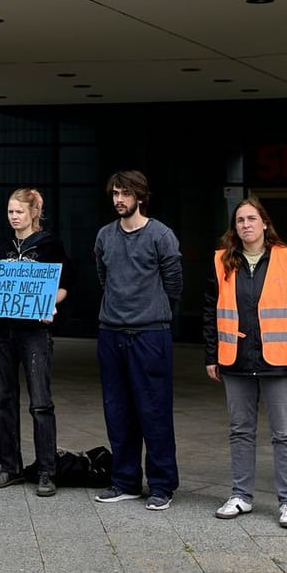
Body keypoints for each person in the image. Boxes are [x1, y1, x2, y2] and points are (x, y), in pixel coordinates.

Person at [208, 196, 287, 529]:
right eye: (240, 220)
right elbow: (212, 312)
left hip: (278, 361)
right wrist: (211, 355)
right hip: (235, 359)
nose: (246, 225)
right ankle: (241, 496)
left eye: (252, 219)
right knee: (240, 432)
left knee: (284, 434)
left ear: (264, 223)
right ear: (234, 227)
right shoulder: (222, 260)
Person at [92, 170, 183, 510]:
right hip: (111, 332)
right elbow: (104, 277)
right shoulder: (104, 236)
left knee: (154, 411)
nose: (119, 199)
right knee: (117, 411)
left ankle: (161, 486)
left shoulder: (161, 235)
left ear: (140, 197)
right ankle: (125, 481)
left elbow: (174, 283)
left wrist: (151, 310)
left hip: (150, 334)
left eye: (125, 194)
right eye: (115, 193)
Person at [0, 187, 66, 497]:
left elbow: (63, 286)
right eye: (10, 211)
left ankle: (47, 471)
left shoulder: (49, 245)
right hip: (3, 331)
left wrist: (52, 304)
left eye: (19, 211)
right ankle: (10, 467)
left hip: (34, 332)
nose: (13, 217)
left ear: (34, 213)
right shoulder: (2, 245)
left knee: (40, 403)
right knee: (2, 400)